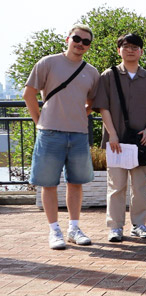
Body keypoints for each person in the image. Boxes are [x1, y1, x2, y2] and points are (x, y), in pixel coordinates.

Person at [23, 24, 100, 249]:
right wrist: (40, 122)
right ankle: (54, 231)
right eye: (77, 38)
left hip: (78, 134)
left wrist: (79, 113)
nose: (81, 44)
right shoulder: (48, 63)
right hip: (50, 133)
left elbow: (93, 102)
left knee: (76, 183)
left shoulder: (91, 72)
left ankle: (74, 228)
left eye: (86, 41)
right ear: (68, 38)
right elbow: (29, 94)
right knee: (48, 184)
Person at [93, 33, 146, 242]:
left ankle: (139, 224)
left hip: (141, 141)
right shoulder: (109, 75)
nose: (131, 50)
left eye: (135, 47)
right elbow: (103, 107)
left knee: (139, 185)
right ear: (119, 50)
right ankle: (115, 227)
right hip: (116, 141)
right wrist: (112, 134)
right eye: (126, 46)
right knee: (116, 185)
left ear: (141, 51)